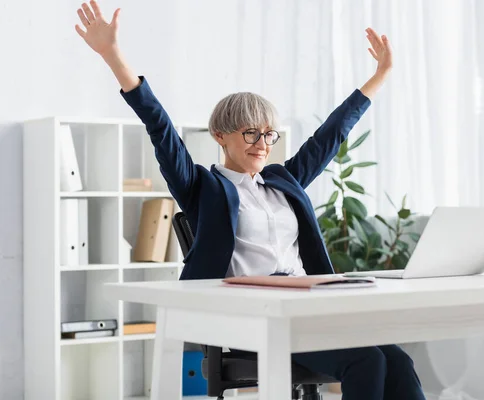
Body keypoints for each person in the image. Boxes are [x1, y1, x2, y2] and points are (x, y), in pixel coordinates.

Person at [75, 1, 426, 399]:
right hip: (250, 320)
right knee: (369, 360)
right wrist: (113, 55)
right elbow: (159, 126)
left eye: (268, 135)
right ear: (221, 135)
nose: (262, 145)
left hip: (308, 308)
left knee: (396, 359)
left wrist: (379, 77)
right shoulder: (202, 187)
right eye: (250, 134)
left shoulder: (283, 181)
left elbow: (330, 135)